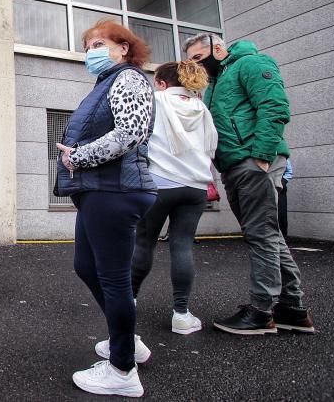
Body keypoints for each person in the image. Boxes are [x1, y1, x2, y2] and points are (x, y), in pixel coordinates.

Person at [54, 19, 157, 397]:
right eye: (86, 46)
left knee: (113, 279)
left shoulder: (128, 78)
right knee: (86, 266)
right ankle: (127, 338)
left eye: (98, 43)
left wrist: (79, 156)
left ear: (123, 48)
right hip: (102, 189)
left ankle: (122, 370)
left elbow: (131, 132)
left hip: (115, 190)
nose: (90, 51)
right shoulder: (106, 83)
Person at [185, 33, 313, 335]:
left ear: (218, 49)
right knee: (269, 234)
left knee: (262, 235)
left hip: (252, 162)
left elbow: (275, 107)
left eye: (199, 59)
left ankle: (261, 312)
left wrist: (262, 157)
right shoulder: (217, 81)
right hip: (234, 165)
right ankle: (292, 308)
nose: (197, 67)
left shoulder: (252, 64)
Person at [130, 61, 218, 335]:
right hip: (195, 187)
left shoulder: (155, 100)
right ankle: (181, 314)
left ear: (161, 82)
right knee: (182, 246)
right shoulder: (201, 108)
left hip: (159, 184)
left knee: (144, 242)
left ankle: (128, 302)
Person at [278, 158, 293, 239]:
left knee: (281, 213)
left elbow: (289, 172)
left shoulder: (282, 155)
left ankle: (283, 237)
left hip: (280, 188)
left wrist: (281, 183)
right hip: (264, 187)